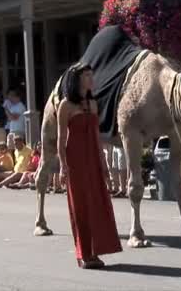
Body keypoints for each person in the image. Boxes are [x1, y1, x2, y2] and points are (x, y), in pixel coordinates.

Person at [57, 64, 122, 268]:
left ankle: (95, 251)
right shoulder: (65, 105)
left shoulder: (93, 104)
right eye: (86, 75)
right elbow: (61, 138)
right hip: (75, 160)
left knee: (97, 204)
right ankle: (83, 254)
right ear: (76, 79)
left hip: (93, 158)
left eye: (91, 74)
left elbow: (96, 136)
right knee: (80, 207)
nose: (91, 78)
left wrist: (104, 165)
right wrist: (62, 166)